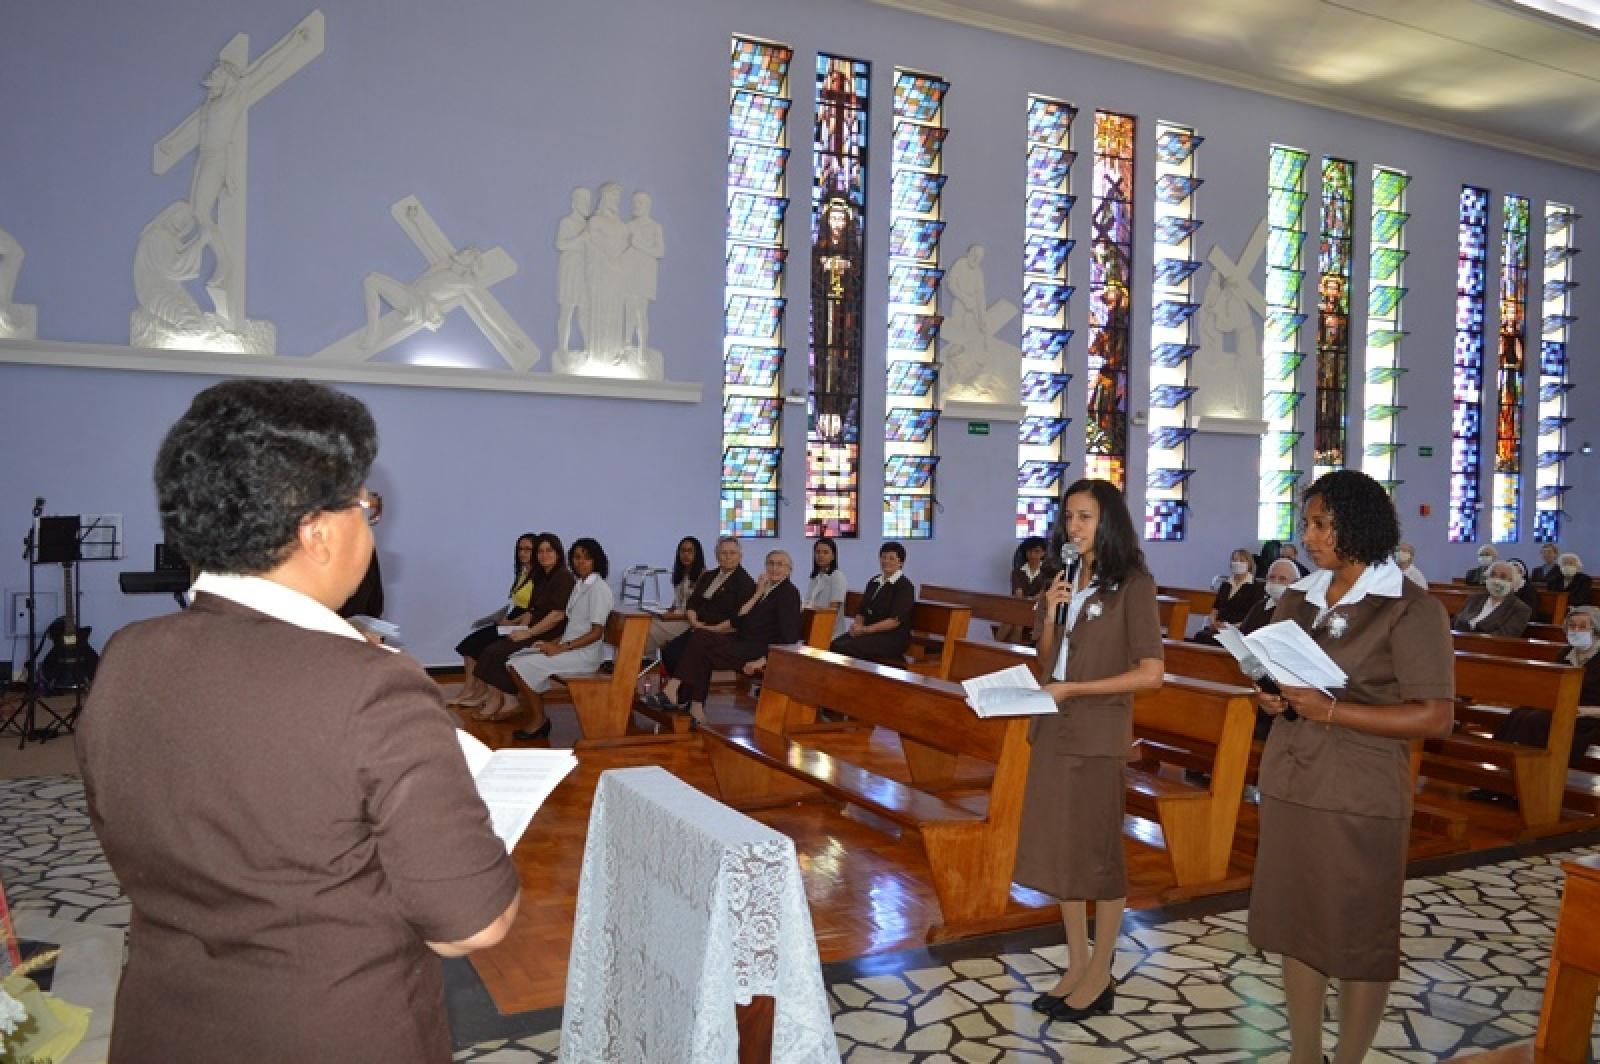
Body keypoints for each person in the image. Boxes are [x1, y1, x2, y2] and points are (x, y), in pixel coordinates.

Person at [76, 380, 519, 1063]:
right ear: (316, 532)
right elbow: (472, 925)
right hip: (332, 1029)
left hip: (165, 1024)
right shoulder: (374, 687)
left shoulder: (128, 658)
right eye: (366, 507)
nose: (370, 526)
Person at [1249, 470, 1454, 1064]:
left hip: (1360, 791)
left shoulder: (1410, 609)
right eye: (1307, 523)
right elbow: (1285, 678)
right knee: (1297, 922)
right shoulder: (1298, 595)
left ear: (1358, 525)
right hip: (1293, 778)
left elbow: (1436, 716)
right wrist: (1271, 696)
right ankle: (1305, 1054)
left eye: (1321, 524)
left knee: (1359, 932)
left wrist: (1335, 712)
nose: (1308, 537)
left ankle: (1350, 1058)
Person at [1017, 478, 1164, 1023]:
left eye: (1083, 517)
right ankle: (1076, 965)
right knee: (1063, 851)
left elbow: (1151, 674)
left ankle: (1102, 971)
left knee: (1098, 856)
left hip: (1098, 734)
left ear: (1109, 521)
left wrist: (1075, 689)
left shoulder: (1134, 584)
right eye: (1068, 517)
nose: (1072, 527)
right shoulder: (1066, 578)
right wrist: (1051, 611)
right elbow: (1047, 660)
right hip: (1054, 728)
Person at [470, 538, 612, 740]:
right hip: (568, 647)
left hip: (584, 654)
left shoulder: (599, 589)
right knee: (514, 661)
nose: (581, 562)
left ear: (597, 560)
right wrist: (552, 644)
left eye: (587, 558)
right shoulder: (581, 585)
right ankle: (538, 718)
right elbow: (572, 625)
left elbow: (596, 632)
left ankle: (538, 720)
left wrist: (561, 647)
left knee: (519, 666)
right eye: (577, 557)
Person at [644, 550, 802, 724]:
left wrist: (762, 661)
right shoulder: (765, 589)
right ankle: (695, 709)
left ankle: (672, 690)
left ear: (789, 569)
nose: (774, 568)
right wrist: (757, 594)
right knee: (702, 640)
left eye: (780, 564)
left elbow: (788, 638)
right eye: (770, 563)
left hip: (758, 649)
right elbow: (738, 619)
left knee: (702, 642)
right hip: (742, 640)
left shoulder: (789, 593)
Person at [457, 534, 576, 721]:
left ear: (559, 553)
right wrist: (516, 626)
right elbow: (533, 611)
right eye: (540, 552)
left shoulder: (563, 578)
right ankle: (500, 699)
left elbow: (557, 616)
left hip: (549, 634)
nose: (544, 555)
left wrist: (527, 632)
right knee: (491, 648)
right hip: (535, 628)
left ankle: (506, 701)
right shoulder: (544, 577)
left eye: (549, 551)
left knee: (495, 651)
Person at [1490, 605, 1600, 768]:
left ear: (1596, 630)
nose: (1576, 630)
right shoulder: (1565, 653)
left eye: (1583, 626)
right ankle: (1498, 771)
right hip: (1560, 708)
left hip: (1588, 717)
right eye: (1572, 625)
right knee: (1518, 714)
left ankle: (1531, 776)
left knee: (1535, 721)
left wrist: (1582, 710)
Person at [659, 537, 756, 677]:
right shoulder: (709, 576)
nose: (728, 557)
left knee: (681, 655)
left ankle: (683, 693)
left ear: (740, 556)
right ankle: (682, 693)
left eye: (732, 553)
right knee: (669, 652)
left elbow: (738, 618)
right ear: (717, 556)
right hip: (698, 627)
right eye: (723, 553)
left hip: (721, 632)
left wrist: (710, 628)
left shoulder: (745, 583)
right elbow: (693, 602)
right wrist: (693, 621)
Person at [830, 542, 916, 662]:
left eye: (891, 558)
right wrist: (858, 626)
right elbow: (862, 610)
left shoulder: (904, 586)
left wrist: (865, 630)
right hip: (869, 632)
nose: (886, 561)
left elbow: (894, 621)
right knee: (835, 644)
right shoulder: (874, 581)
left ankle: (857, 679)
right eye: (883, 557)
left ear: (901, 563)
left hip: (892, 637)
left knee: (849, 648)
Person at [646, 536, 707, 654]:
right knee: (643, 622)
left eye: (690, 551)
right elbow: (676, 603)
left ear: (697, 554)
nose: (685, 554)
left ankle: (632, 660)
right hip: (676, 617)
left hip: (689, 623)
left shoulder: (704, 576)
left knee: (648, 630)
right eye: (683, 551)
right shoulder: (681, 574)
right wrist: (663, 611)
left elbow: (700, 612)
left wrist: (671, 616)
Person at [1191, 548, 1263, 646]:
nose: (1237, 563)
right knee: (1200, 636)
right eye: (1235, 560)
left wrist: (1230, 627)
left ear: (1249, 564)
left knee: (1220, 641)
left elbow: (1253, 616)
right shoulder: (1226, 584)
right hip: (1219, 627)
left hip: (1238, 630)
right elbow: (1215, 608)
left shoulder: (1256, 587)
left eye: (1241, 560)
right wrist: (1213, 622)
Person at [998, 536, 1055, 644]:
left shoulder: (1049, 573)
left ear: (1043, 553)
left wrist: (1032, 601)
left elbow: (1042, 595)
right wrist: (1026, 603)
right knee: (1017, 618)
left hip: (1040, 610)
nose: (1032, 555)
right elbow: (1019, 594)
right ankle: (1001, 649)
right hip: (1022, 606)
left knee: (1016, 618)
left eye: (1037, 551)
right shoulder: (1017, 572)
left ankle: (998, 646)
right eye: (1029, 551)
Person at [1452, 561, 1532, 636]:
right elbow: (1456, 621)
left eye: (1503, 577)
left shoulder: (1520, 609)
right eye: (1493, 575)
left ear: (1512, 583)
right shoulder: (1474, 598)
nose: (1496, 580)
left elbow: (1505, 636)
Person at [1237, 558, 1302, 635]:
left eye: (1282, 579)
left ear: (1295, 583)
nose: (1275, 582)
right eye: (1272, 577)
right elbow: (1242, 632)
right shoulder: (1259, 606)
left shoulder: (1300, 611)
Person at [805, 535, 849, 639]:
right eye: (818, 552)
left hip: (830, 631)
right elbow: (808, 602)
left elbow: (832, 611)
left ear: (833, 556)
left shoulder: (837, 576)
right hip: (813, 624)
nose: (820, 555)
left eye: (825, 552)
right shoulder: (816, 576)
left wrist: (812, 609)